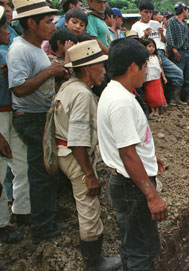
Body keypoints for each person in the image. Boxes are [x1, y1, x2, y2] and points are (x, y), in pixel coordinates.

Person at [97, 37, 168, 271]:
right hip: (132, 187)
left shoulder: (117, 92)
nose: (146, 71)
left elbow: (130, 143)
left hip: (127, 183)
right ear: (132, 67)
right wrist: (152, 195)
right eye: (145, 66)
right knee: (142, 251)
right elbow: (127, 154)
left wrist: (149, 157)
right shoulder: (121, 102)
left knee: (132, 244)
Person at [53, 40, 121, 270]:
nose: (104, 71)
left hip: (64, 151)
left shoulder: (68, 86)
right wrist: (89, 175)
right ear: (87, 68)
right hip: (75, 156)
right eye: (101, 66)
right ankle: (95, 262)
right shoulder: (82, 95)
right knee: (89, 206)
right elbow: (78, 139)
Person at [7, 0, 68, 243]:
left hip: (41, 116)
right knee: (42, 172)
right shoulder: (19, 49)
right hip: (30, 119)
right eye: (48, 22)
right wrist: (49, 72)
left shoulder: (35, 47)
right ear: (31, 23)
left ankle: (45, 218)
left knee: (48, 171)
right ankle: (42, 228)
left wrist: (57, 72)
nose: (53, 27)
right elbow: (19, 89)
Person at [0, 5, 26, 244]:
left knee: (21, 164)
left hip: (11, 111)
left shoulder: (9, 46)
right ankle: (2, 225)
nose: (7, 29)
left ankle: (22, 211)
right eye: (2, 26)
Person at [132, 0, 184, 105]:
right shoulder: (136, 26)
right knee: (147, 81)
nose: (148, 15)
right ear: (140, 12)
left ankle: (172, 99)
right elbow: (135, 44)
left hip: (160, 54)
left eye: (150, 12)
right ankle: (148, 105)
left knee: (177, 73)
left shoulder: (155, 23)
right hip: (146, 56)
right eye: (145, 12)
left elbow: (164, 41)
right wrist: (145, 36)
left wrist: (161, 34)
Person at [166, 1, 189, 105]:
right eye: (187, 10)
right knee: (178, 75)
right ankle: (175, 98)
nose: (187, 12)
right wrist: (174, 50)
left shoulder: (184, 24)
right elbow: (169, 36)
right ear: (184, 10)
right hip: (178, 51)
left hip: (186, 51)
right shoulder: (172, 21)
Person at [142, 39, 167, 117]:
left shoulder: (157, 57)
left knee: (157, 95)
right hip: (148, 79)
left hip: (157, 78)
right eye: (149, 46)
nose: (151, 48)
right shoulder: (144, 58)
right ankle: (152, 110)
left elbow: (160, 67)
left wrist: (164, 77)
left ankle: (157, 110)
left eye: (153, 46)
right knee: (149, 95)